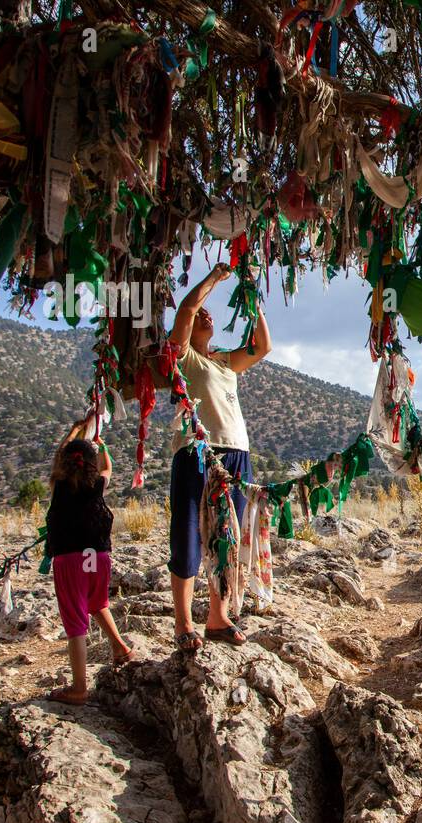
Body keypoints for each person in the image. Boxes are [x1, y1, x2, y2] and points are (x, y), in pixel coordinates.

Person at [167, 262, 272, 651]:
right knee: (189, 532)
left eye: (211, 314)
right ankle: (182, 622)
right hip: (198, 450)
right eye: (200, 319)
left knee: (227, 534)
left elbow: (263, 346)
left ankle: (217, 616)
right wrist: (214, 280)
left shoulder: (224, 361)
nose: (206, 316)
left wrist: (251, 298)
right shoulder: (184, 358)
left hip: (237, 453)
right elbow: (187, 311)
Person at [46, 417, 132, 705]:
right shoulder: (97, 483)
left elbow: (61, 451)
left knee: (76, 622)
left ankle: (79, 687)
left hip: (69, 558)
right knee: (96, 603)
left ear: (65, 462)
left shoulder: (58, 482)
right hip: (96, 555)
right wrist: (103, 447)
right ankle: (120, 647)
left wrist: (74, 429)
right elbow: (109, 467)